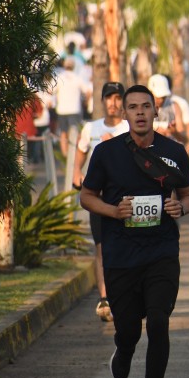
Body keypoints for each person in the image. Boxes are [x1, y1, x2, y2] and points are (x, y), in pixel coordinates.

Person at [79, 85, 189, 378]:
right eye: (133, 107)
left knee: (159, 321)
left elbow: (188, 194)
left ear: (155, 111)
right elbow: (87, 196)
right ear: (124, 113)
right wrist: (113, 212)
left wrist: (180, 208)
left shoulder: (174, 152)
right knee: (129, 329)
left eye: (146, 106)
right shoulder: (106, 153)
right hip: (121, 252)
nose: (141, 112)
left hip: (162, 250)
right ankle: (124, 347)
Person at [73, 82, 129, 321]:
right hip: (98, 198)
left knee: (127, 246)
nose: (113, 103)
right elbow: (81, 150)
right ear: (103, 101)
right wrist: (76, 170)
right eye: (109, 98)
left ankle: (126, 294)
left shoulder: (130, 127)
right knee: (101, 247)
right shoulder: (91, 128)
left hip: (125, 198)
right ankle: (104, 298)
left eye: (118, 98)